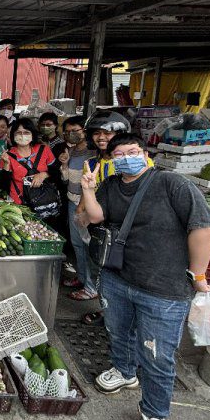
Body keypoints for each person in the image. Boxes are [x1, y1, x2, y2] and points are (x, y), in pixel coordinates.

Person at [80, 133, 210, 420]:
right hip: (118, 278)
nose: (125, 158)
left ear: (145, 154)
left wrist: (198, 276)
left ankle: (155, 413)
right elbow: (95, 216)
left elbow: (204, 228)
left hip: (163, 289)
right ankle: (124, 372)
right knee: (118, 333)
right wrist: (88, 190)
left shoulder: (171, 184)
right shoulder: (111, 185)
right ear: (112, 160)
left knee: (157, 357)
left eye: (132, 151)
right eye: (118, 155)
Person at [77, 110, 154, 325]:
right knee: (105, 270)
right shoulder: (91, 164)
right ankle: (108, 311)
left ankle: (128, 317)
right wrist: (81, 211)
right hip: (103, 225)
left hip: (132, 228)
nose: (101, 138)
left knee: (130, 273)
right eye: (97, 133)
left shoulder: (139, 161)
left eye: (108, 133)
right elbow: (88, 191)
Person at [57, 116, 97, 301]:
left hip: (86, 206)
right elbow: (66, 180)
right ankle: (82, 278)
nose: (71, 134)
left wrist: (82, 207)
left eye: (75, 130)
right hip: (72, 202)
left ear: (85, 131)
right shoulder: (70, 152)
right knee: (78, 244)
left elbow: (92, 185)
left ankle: (91, 287)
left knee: (88, 246)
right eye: (67, 131)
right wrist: (64, 164)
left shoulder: (93, 154)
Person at [0, 118, 56, 206]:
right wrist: (6, 164)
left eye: (26, 132)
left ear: (33, 134)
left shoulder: (44, 149)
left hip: (45, 201)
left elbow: (56, 172)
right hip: (20, 203)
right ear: (13, 135)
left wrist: (44, 174)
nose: (22, 136)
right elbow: (3, 186)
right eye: (19, 133)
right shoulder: (7, 156)